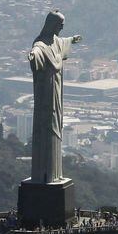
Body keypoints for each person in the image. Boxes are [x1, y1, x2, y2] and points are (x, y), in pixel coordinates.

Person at [29, 10, 82, 183]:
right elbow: (36, 51)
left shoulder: (55, 42)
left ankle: (55, 173)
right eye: (60, 24)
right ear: (52, 24)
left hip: (56, 90)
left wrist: (72, 39)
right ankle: (45, 173)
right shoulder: (41, 45)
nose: (62, 27)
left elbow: (62, 42)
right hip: (47, 92)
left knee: (56, 124)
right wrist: (34, 56)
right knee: (47, 125)